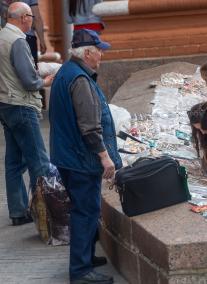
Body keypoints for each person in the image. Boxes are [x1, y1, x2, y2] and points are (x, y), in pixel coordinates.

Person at [49, 29, 122, 284]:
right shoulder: (79, 79)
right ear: (87, 53)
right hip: (80, 159)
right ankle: (80, 270)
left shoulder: (67, 72)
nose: (101, 55)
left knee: (85, 209)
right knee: (85, 211)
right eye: (99, 50)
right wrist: (104, 156)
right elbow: (89, 127)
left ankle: (87, 257)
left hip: (67, 155)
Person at [0, 1, 53, 226]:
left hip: (5, 104)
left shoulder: (2, 36)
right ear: (23, 18)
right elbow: (29, 81)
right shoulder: (18, 41)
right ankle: (50, 213)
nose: (32, 21)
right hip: (21, 105)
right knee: (38, 161)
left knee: (13, 162)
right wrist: (45, 80)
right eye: (31, 17)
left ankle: (18, 211)